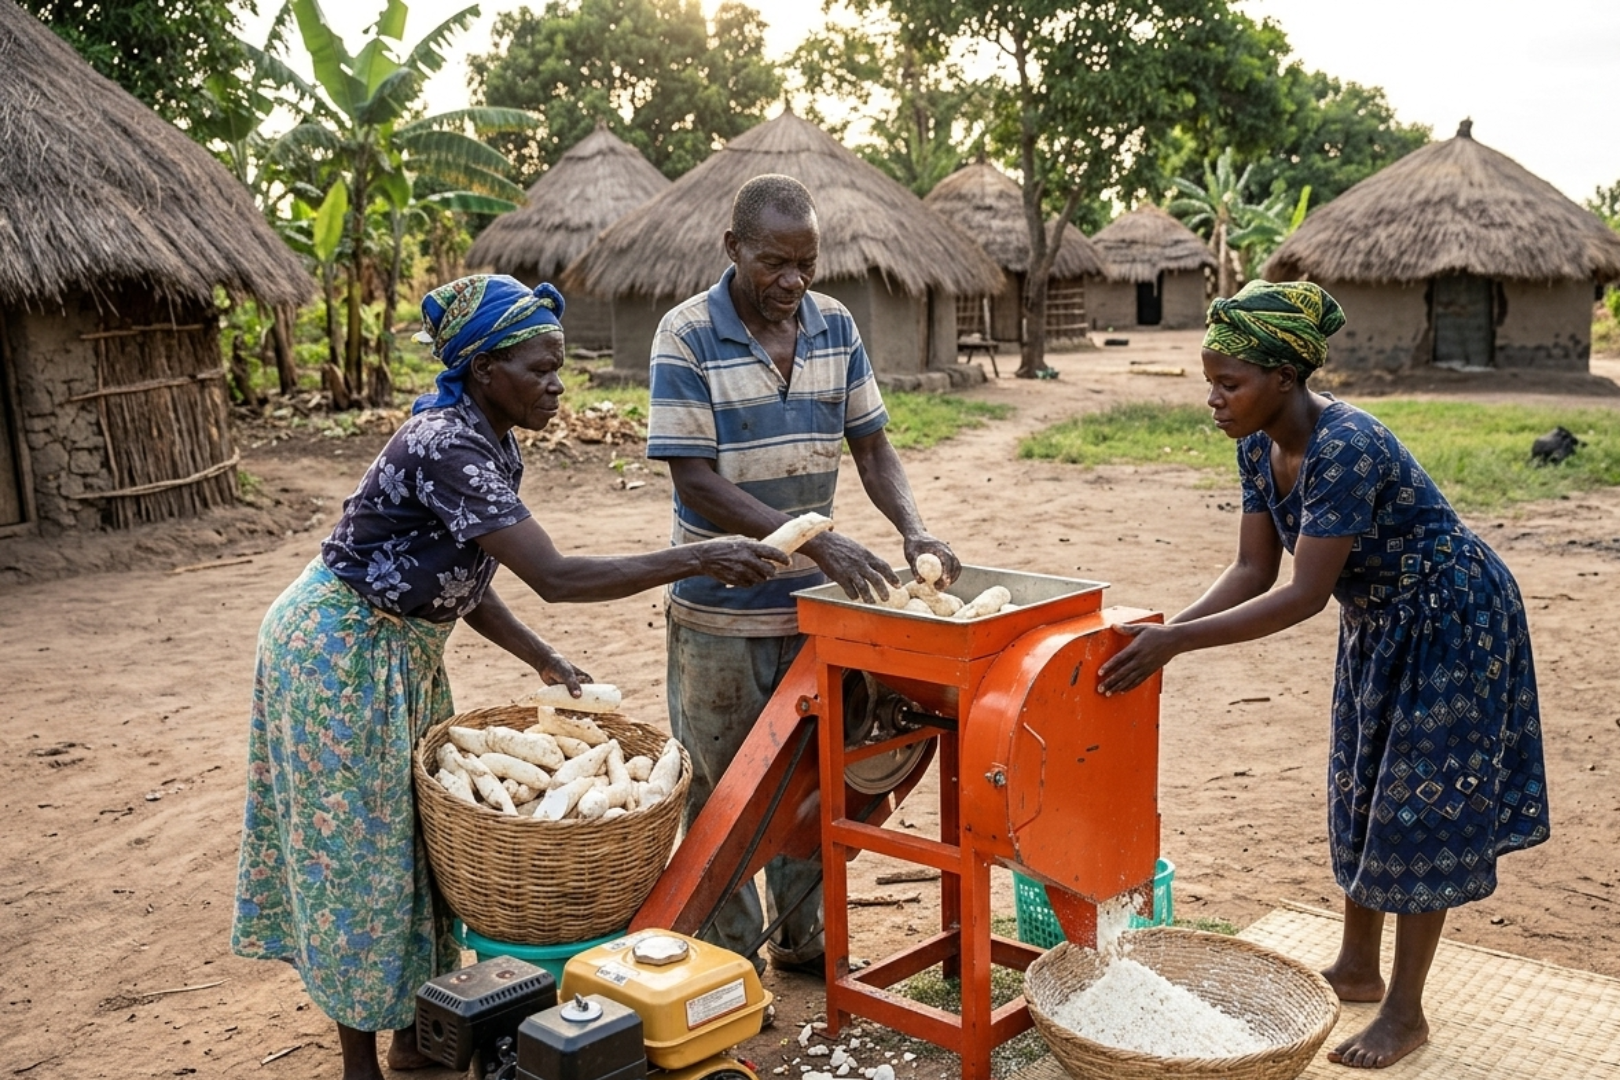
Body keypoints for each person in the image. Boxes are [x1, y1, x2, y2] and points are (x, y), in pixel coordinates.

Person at [231, 275, 787, 1080]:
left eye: (559, 367)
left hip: (403, 653)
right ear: (485, 369)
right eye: (539, 369)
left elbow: (470, 570)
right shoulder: (443, 445)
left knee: (417, 847)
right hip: (337, 652)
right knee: (356, 852)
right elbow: (555, 573)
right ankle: (361, 1062)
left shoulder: (494, 441)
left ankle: (412, 1039)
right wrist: (699, 554)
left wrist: (539, 657)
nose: (557, 384)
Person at [1097, 281, 1550, 1069]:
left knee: (1419, 806)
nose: (1213, 399)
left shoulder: (1347, 445)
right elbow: (1250, 568)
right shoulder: (1257, 443)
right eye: (1210, 381)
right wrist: (1166, 627)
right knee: (1362, 786)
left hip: (1451, 618)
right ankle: (1358, 968)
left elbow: (1303, 595)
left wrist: (1178, 647)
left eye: (1228, 383)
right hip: (1381, 623)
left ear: (1284, 378)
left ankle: (1406, 1013)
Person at [647, 174, 958, 977]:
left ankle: (805, 940)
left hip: (819, 616)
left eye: (807, 264)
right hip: (721, 617)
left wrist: (913, 527)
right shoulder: (684, 336)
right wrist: (817, 541)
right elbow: (696, 481)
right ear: (734, 249)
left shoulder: (836, 326)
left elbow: (873, 445)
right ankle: (724, 965)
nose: (793, 282)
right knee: (725, 794)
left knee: (814, 783)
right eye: (775, 263)